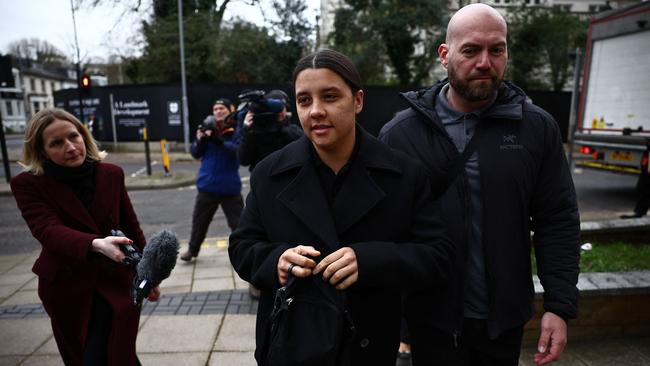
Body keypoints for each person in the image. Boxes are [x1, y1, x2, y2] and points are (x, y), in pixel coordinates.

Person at [379, 4, 580, 366]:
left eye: (496, 49)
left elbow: (557, 220)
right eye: (471, 50)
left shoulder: (536, 128)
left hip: (502, 323)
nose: (485, 62)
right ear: (445, 54)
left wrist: (559, 306)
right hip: (430, 322)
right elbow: (388, 233)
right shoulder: (400, 135)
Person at [228, 49, 455, 365]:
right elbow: (242, 246)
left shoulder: (404, 175)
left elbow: (437, 255)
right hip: (290, 343)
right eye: (304, 100)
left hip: (367, 345)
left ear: (358, 101)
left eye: (330, 97)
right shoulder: (269, 173)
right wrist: (275, 260)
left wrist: (369, 260)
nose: (316, 111)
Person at [10, 107, 161, 365]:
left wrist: (149, 272)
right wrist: (94, 244)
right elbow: (47, 230)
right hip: (68, 288)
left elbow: (131, 225)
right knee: (85, 357)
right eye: (56, 143)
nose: (70, 147)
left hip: (115, 281)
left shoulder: (111, 174)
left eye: (73, 136)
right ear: (41, 150)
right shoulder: (28, 184)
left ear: (83, 135)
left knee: (119, 353)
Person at [180, 98, 243, 261]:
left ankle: (244, 253)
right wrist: (201, 138)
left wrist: (218, 140)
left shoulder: (236, 129)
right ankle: (193, 250)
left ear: (230, 110)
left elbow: (237, 152)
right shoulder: (208, 127)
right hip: (207, 185)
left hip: (230, 187)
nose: (218, 111)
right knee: (199, 222)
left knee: (239, 225)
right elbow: (195, 152)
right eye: (215, 109)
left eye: (222, 108)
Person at [237, 89, 303, 172]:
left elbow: (302, 147)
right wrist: (248, 131)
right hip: (262, 181)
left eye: (282, 107)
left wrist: (279, 127)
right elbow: (244, 160)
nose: (279, 112)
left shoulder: (292, 130)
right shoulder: (254, 131)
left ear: (287, 110)